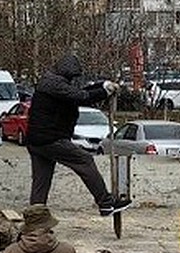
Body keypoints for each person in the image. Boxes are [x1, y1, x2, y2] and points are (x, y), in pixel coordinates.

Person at [26, 54, 130, 216]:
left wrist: (103, 85)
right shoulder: (54, 85)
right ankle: (105, 203)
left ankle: (35, 224)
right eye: (72, 77)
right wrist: (103, 92)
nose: (73, 80)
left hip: (37, 141)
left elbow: (77, 92)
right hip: (51, 139)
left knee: (41, 183)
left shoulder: (50, 82)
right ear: (66, 73)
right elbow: (81, 97)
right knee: (84, 160)